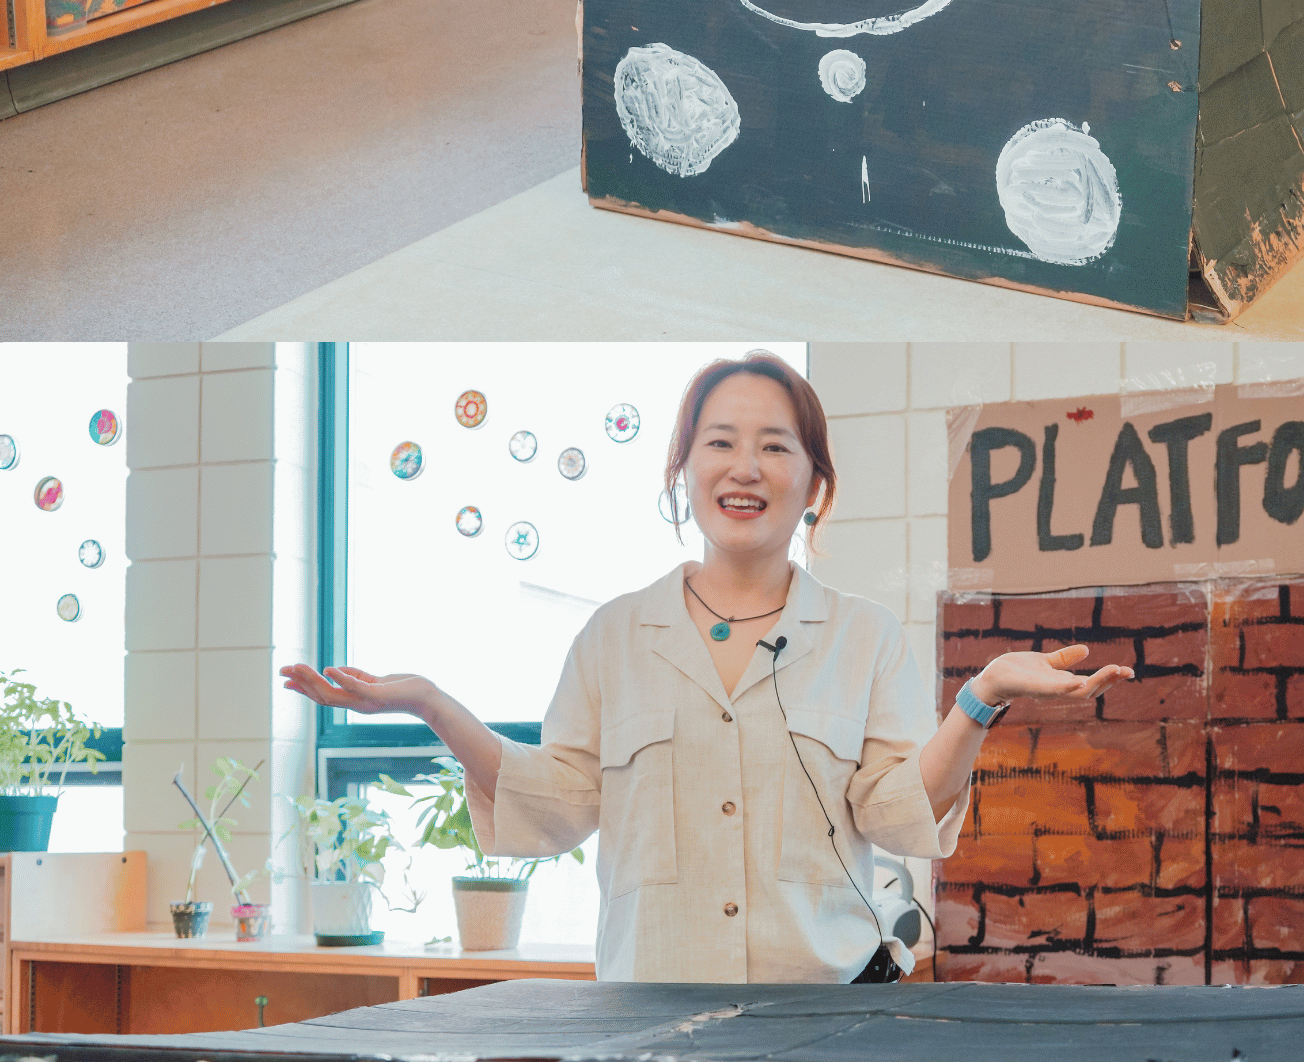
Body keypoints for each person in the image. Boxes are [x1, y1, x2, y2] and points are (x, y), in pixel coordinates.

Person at [281, 352, 1132, 983]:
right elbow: (555, 807)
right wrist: (433, 704)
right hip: (647, 1016)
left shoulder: (862, 636)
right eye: (720, 442)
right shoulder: (613, 636)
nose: (745, 467)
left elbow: (900, 812)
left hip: (825, 1013)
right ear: (683, 470)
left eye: (776, 447)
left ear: (813, 484)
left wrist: (981, 700)